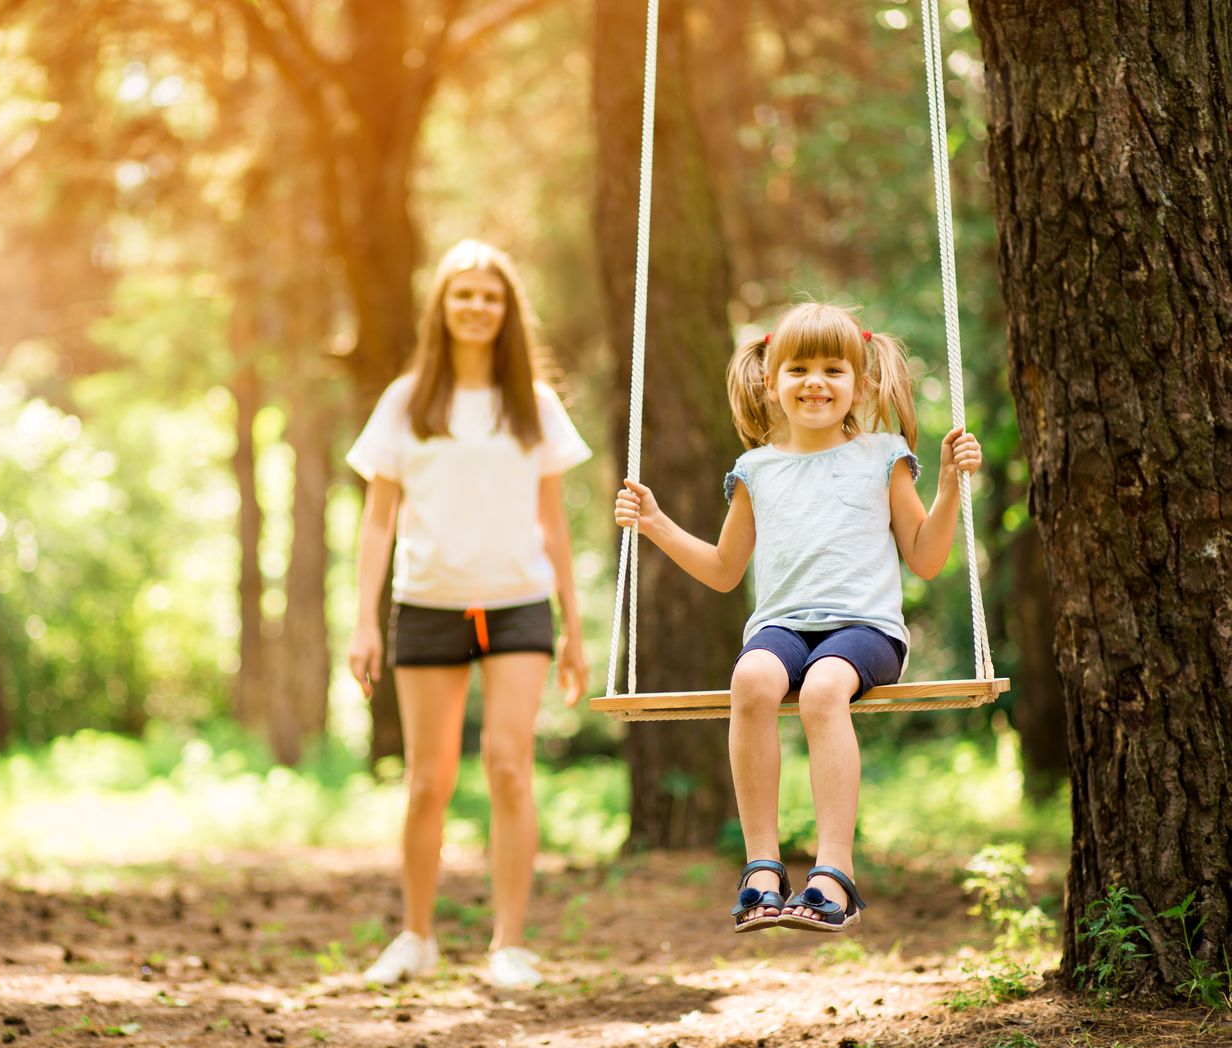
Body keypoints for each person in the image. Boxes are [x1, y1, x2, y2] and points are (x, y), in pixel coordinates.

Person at [613, 302, 982, 934]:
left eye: (833, 368)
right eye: (799, 368)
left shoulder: (882, 456)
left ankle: (833, 870)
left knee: (822, 690)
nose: (816, 381)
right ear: (771, 382)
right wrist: (654, 524)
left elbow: (924, 557)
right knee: (752, 680)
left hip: (866, 630)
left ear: (860, 382)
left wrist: (949, 487)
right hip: (782, 626)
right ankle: (762, 867)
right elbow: (726, 569)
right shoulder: (756, 470)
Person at [346, 239, 592, 987]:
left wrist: (574, 627)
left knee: (510, 767)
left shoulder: (535, 405)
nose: (478, 308)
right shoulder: (407, 399)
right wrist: (363, 622)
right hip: (427, 605)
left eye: (491, 297)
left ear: (507, 311)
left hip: (517, 605)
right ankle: (415, 935)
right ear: (442, 307)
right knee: (428, 780)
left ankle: (509, 944)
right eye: (464, 295)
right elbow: (378, 520)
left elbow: (554, 523)